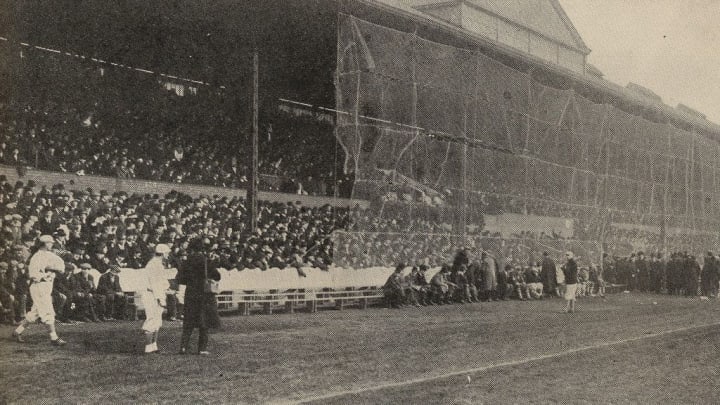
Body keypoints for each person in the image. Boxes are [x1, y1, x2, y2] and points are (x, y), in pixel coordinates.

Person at [12, 235, 67, 346]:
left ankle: (17, 332)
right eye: (50, 243)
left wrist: (53, 268)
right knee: (48, 311)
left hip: (47, 286)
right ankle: (54, 338)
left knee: (35, 313)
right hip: (39, 286)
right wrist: (46, 274)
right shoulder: (36, 257)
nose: (52, 244)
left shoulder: (51, 255)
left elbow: (62, 267)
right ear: (44, 244)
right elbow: (33, 275)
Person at [177, 238, 221, 355]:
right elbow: (217, 276)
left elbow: (180, 279)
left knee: (189, 321)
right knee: (204, 322)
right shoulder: (205, 260)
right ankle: (202, 348)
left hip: (191, 292)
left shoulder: (186, 261)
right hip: (203, 293)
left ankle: (183, 347)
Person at [141, 243, 171, 354]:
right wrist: (160, 298)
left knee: (157, 320)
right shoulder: (153, 265)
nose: (168, 254)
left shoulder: (158, 264)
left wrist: (166, 290)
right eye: (167, 253)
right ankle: (148, 347)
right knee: (152, 319)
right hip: (152, 295)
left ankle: (154, 345)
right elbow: (155, 284)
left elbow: (162, 282)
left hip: (157, 294)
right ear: (162, 253)